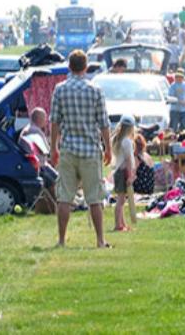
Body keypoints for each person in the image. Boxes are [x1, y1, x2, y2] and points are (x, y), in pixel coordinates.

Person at [50, 50, 112, 248]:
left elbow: (54, 122)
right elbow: (103, 123)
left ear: (69, 66)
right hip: (90, 150)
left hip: (68, 149)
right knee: (94, 197)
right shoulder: (95, 90)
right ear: (85, 67)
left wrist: (53, 147)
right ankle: (100, 240)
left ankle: (61, 240)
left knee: (65, 197)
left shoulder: (60, 89)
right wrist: (108, 148)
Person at [111, 115, 135, 232]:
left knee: (122, 200)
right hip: (123, 171)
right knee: (120, 201)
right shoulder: (127, 142)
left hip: (118, 171)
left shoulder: (118, 140)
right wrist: (130, 175)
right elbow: (129, 160)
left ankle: (123, 223)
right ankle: (117, 224)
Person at [168, 68, 185, 133]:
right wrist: (181, 102)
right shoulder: (173, 86)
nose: (180, 79)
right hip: (175, 110)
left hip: (183, 110)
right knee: (174, 127)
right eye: (178, 77)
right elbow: (171, 97)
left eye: (181, 77)